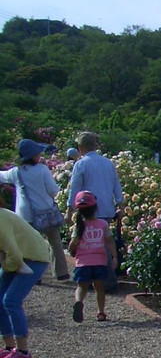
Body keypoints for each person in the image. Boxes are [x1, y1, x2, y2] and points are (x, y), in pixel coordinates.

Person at [0, 139, 69, 280]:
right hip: (46, 212)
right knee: (55, 243)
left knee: (29, 245)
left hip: (25, 214)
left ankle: (34, 276)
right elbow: (53, 190)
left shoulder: (16, 172)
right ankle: (61, 272)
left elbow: (1, 176)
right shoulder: (43, 169)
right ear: (33, 155)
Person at [66, 132, 124, 290]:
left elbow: (75, 188)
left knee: (87, 243)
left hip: (88, 208)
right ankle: (100, 278)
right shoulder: (108, 163)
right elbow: (116, 185)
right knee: (103, 242)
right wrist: (120, 205)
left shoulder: (81, 164)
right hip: (106, 208)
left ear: (80, 147)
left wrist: (69, 210)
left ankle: (101, 280)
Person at [0, 206, 52, 358]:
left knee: (11, 301)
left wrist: (5, 263)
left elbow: (13, 254)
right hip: (17, 257)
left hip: (34, 257)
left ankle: (23, 353)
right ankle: (9, 347)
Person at [68, 191, 118, 323]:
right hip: (99, 261)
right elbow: (110, 241)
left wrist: (71, 250)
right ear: (95, 207)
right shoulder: (102, 224)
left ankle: (79, 302)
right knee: (99, 287)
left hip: (83, 262)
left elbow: (73, 243)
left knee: (81, 286)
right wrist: (114, 256)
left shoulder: (78, 226)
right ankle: (100, 312)